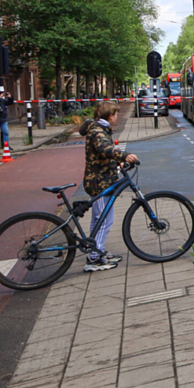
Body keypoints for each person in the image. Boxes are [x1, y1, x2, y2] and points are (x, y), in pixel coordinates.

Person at [79, 101, 138, 271]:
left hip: (100, 179)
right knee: (104, 219)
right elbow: (104, 149)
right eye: (116, 114)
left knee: (98, 219)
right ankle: (94, 258)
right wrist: (124, 156)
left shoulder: (99, 127)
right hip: (99, 182)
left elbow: (102, 155)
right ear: (110, 116)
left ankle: (98, 249)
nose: (117, 117)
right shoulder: (97, 131)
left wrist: (117, 162)